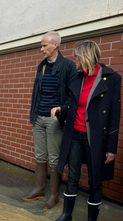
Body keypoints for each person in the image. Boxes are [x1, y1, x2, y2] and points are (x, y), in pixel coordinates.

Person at [51, 41, 121, 221]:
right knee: (73, 176)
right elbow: (71, 104)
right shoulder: (77, 78)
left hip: (96, 138)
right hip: (74, 134)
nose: (74, 60)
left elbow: (114, 114)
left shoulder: (112, 78)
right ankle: (66, 215)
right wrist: (61, 109)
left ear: (85, 57)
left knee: (94, 180)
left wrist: (111, 148)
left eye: (76, 57)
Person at [24, 31, 77, 211]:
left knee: (54, 158)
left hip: (55, 119)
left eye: (45, 45)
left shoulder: (69, 66)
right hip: (38, 117)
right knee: (40, 156)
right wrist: (34, 114)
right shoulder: (42, 66)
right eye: (41, 45)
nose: (41, 49)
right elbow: (36, 93)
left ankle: (54, 195)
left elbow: (72, 96)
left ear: (56, 45)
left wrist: (62, 110)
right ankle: (39, 189)